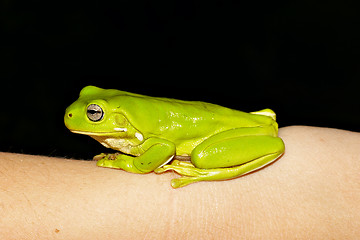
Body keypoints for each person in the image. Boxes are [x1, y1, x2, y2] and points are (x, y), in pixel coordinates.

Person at [0, 126, 359, 239]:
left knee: (200, 157)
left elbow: (162, 148)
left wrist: (131, 163)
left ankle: (209, 170)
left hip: (215, 140)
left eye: (96, 115)